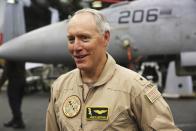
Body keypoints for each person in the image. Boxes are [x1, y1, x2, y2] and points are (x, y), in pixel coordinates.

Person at [45, 8, 181, 131]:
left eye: (84, 38)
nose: (76, 47)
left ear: (105, 38)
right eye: (71, 39)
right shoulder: (60, 87)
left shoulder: (135, 88)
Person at [0, 60, 26, 129]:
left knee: (14, 103)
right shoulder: (20, 55)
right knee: (18, 102)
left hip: (14, 81)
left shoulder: (10, 56)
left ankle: (19, 122)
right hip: (22, 79)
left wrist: (0, 84)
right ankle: (15, 120)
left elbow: (6, 72)